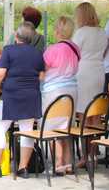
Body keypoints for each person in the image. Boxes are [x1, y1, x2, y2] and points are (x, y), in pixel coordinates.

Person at [0, 22, 45, 178]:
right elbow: (42, 76)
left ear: (16, 37)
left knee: (0, 127)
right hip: (31, 96)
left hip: (11, 95)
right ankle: (23, 168)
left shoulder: (9, 51)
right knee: (27, 130)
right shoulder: (38, 53)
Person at [41, 16, 80, 175]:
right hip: (72, 89)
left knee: (53, 128)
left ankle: (58, 163)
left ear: (57, 30)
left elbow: (42, 70)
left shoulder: (52, 49)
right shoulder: (76, 48)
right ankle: (69, 163)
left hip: (54, 91)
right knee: (66, 128)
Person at [72, 2, 106, 114]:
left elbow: (73, 52)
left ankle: (83, 131)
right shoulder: (102, 31)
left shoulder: (81, 32)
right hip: (99, 70)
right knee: (96, 109)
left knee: (83, 110)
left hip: (84, 72)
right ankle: (95, 131)